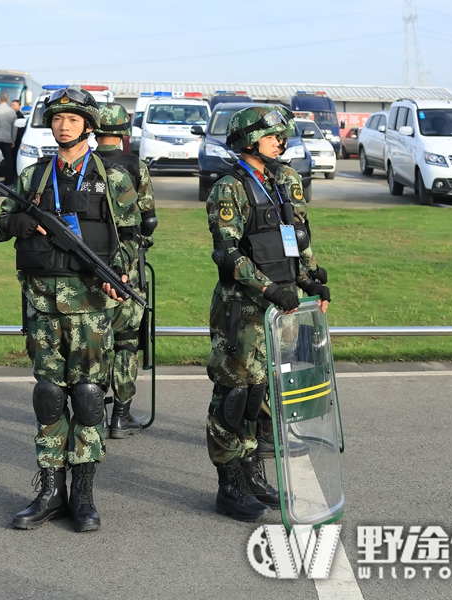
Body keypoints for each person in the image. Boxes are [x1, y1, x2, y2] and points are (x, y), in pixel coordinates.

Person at [0, 86, 140, 532]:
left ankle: (84, 495)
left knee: (89, 397)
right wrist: (20, 221)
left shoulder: (112, 179)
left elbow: (131, 239)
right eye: (56, 118)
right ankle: (50, 491)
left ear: (89, 126)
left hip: (91, 306)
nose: (63, 124)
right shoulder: (34, 176)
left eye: (72, 119)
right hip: (42, 303)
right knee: (49, 397)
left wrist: (122, 274)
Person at [204, 105, 330, 522]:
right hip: (245, 309)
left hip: (282, 309)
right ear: (247, 140)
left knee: (262, 396)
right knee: (235, 395)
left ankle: (252, 472)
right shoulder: (229, 188)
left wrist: (310, 278)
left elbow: (297, 233)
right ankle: (229, 485)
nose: (281, 140)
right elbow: (229, 254)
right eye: (272, 134)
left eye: (282, 134)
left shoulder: (285, 180)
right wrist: (269, 288)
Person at [93, 102, 157, 438]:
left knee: (95, 339)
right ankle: (121, 413)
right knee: (127, 341)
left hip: (91, 267)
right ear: (122, 132)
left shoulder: (84, 164)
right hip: (128, 268)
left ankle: (92, 411)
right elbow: (148, 218)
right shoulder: (134, 166)